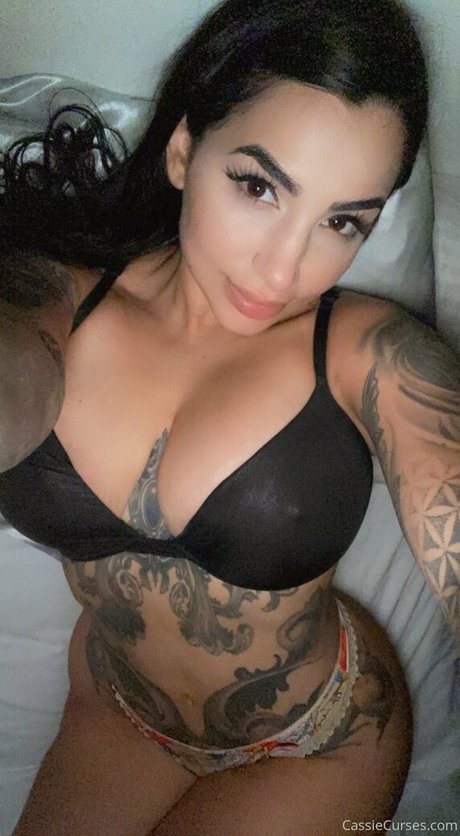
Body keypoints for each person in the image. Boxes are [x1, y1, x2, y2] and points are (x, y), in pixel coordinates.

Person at [0, 0, 458, 833]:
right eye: (258, 186)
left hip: (317, 740)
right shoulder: (56, 296)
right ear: (183, 151)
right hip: (115, 713)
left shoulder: (368, 352)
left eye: (342, 222)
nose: (283, 270)